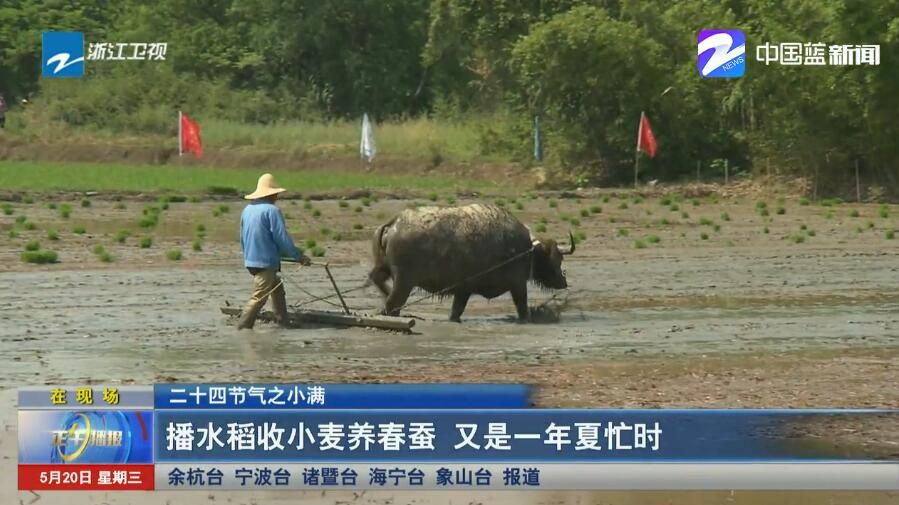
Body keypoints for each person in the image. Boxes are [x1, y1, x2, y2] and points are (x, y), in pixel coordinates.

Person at [238, 173, 311, 329]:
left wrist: (248, 256)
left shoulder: (247, 210)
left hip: (251, 260)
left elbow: (242, 238)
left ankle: (282, 321)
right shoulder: (272, 211)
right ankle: (242, 328)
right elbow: (281, 238)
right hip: (265, 261)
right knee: (259, 297)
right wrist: (298, 256)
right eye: (275, 193)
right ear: (271, 194)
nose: (277, 196)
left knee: (277, 288)